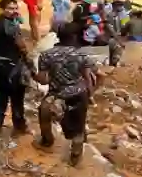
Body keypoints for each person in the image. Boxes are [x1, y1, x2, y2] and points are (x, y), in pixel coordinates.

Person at [33, 23, 96, 166]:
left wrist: (34, 75)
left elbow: (43, 81)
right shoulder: (81, 54)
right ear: (74, 37)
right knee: (79, 126)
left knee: (44, 113)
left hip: (57, 95)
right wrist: (90, 94)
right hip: (78, 94)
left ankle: (47, 141)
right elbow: (87, 78)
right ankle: (75, 156)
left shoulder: (46, 55)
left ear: (58, 36)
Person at [0, 0, 33, 136]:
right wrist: (28, 61)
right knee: (17, 97)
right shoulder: (10, 26)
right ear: (2, 9)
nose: (13, 11)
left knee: (2, 95)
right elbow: (21, 46)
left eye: (15, 8)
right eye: (10, 8)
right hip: (10, 67)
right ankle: (19, 126)